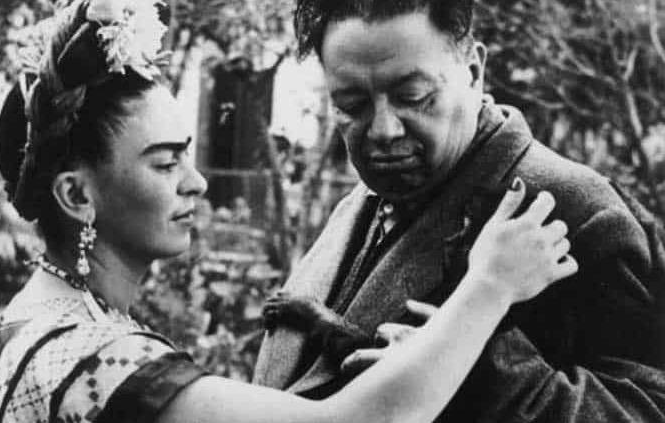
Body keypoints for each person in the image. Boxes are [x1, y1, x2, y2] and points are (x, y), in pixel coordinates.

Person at [0, 1, 577, 423]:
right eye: (165, 163)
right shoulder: (92, 359)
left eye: (413, 95)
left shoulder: (28, 319)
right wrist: (489, 286)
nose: (198, 183)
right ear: (77, 196)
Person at [253, 0, 665, 421]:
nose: (383, 131)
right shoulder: (364, 201)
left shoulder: (573, 210)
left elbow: (648, 409)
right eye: (352, 105)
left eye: (413, 97)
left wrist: (467, 372)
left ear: (473, 70)